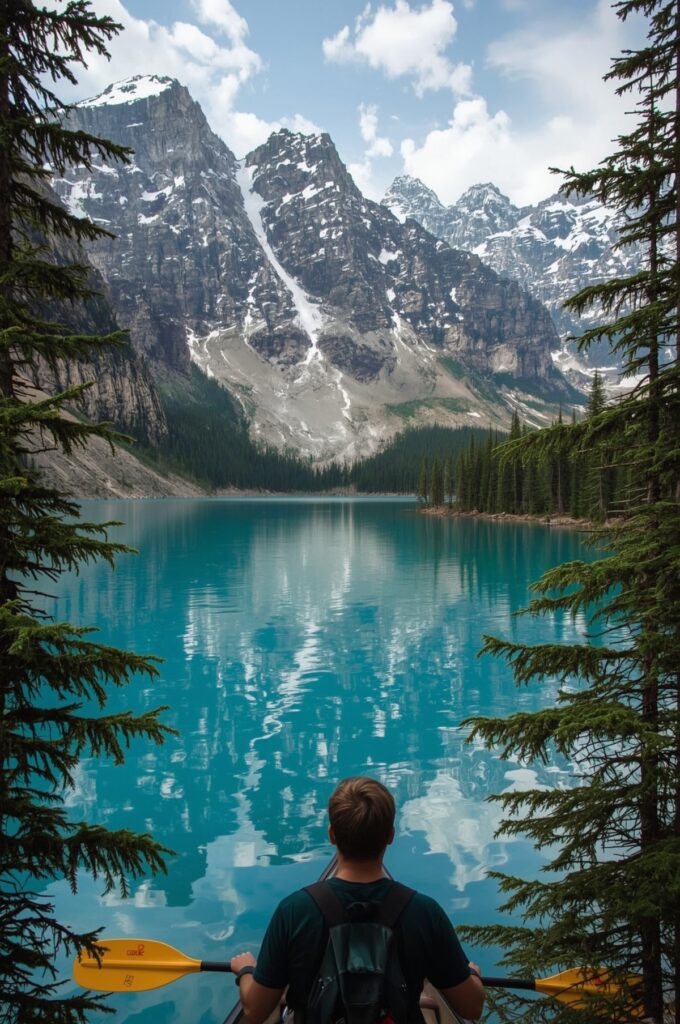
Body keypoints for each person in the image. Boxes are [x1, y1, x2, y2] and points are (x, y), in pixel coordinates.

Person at [231, 776, 485, 1024]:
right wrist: (472, 975)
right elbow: (471, 1007)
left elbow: (256, 1010)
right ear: (390, 835)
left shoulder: (294, 911)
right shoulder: (424, 912)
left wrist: (245, 970)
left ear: (332, 835)